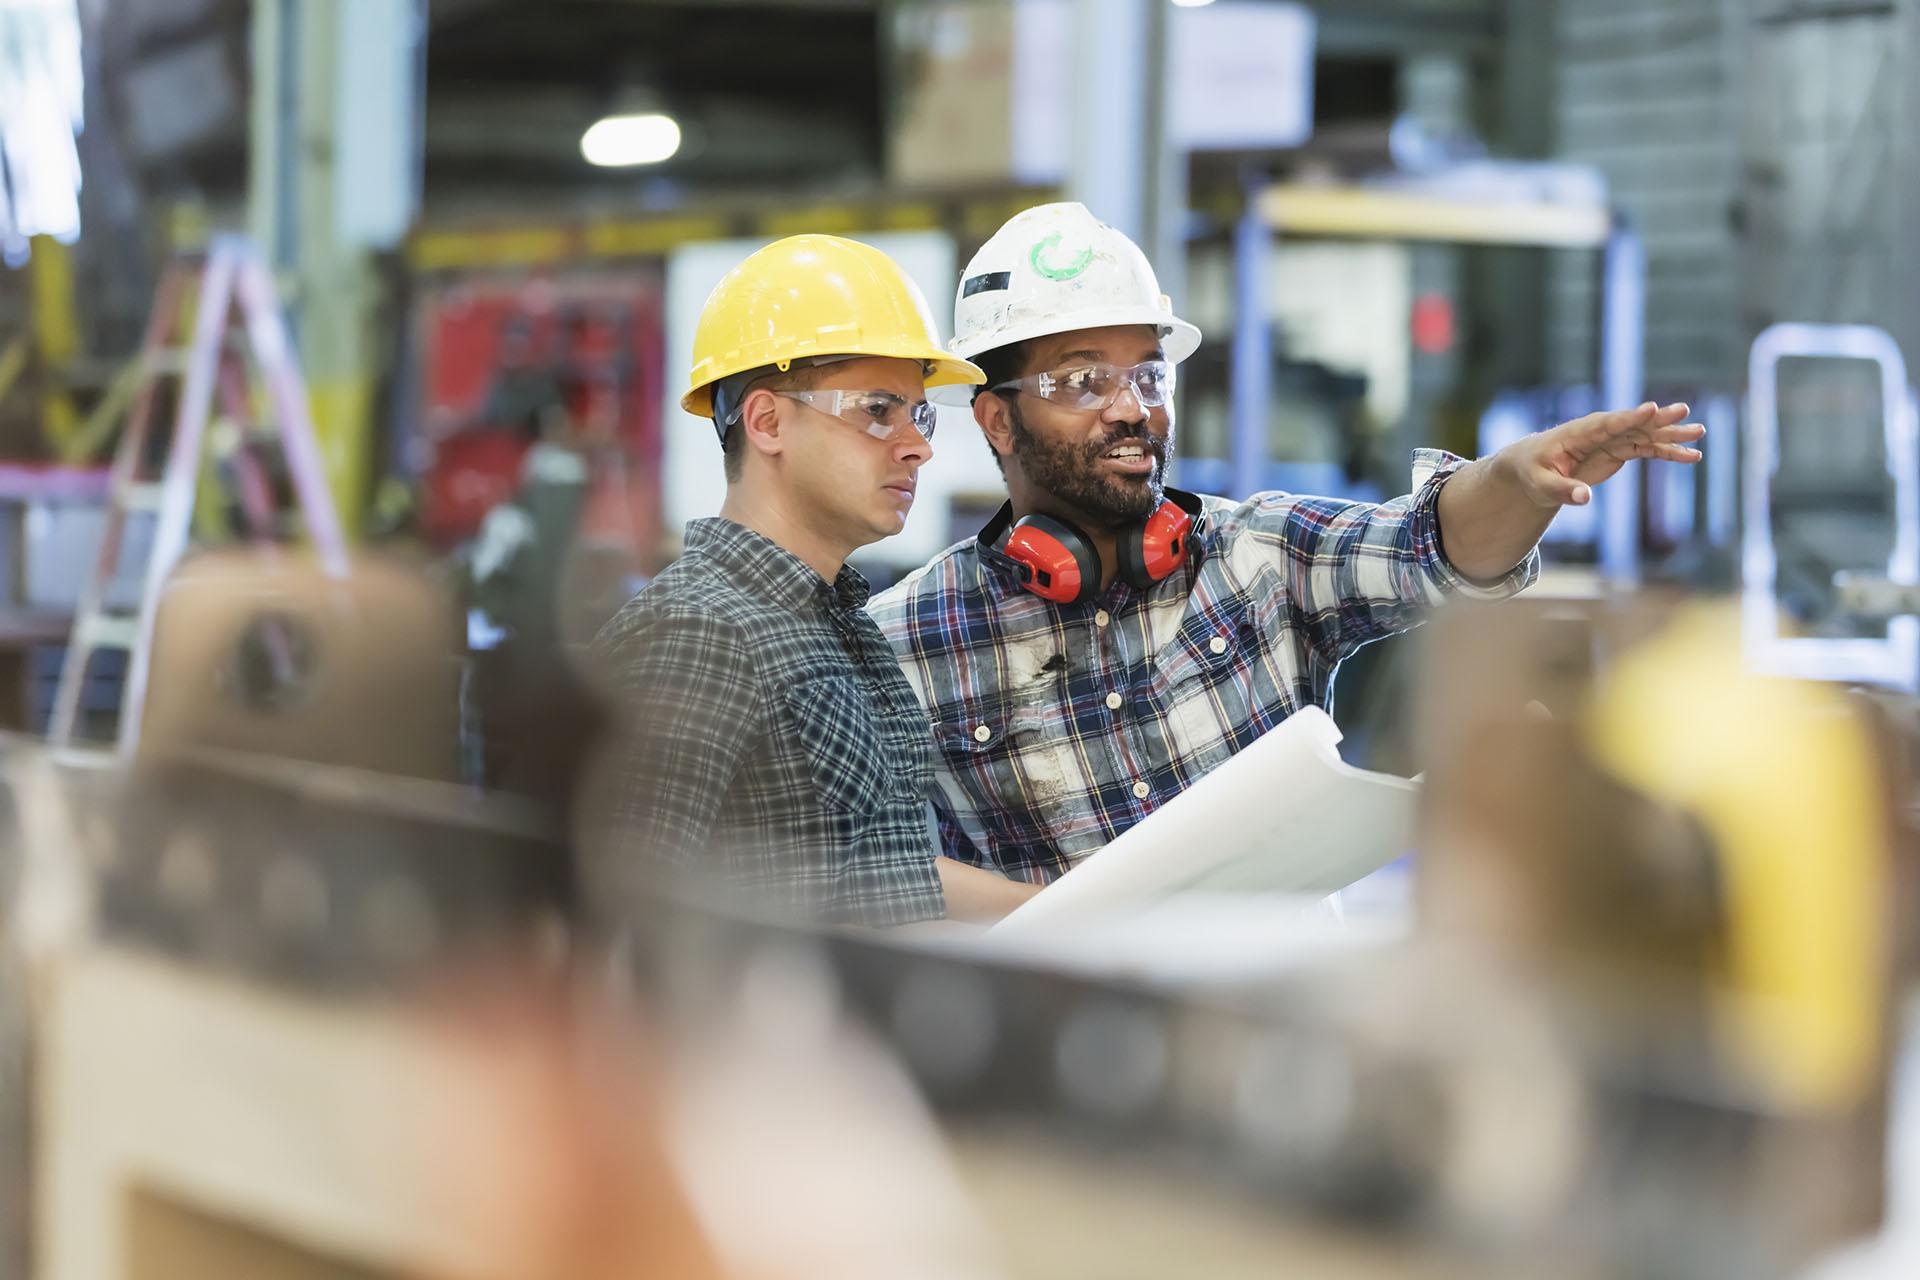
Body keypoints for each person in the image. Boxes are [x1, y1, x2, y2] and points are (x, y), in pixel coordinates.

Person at [869, 202, 1704, 885]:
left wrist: (1520, 480)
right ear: (994, 416)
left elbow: (1432, 544)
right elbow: (886, 881)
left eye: (1148, 375)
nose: (1132, 409)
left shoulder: (1260, 555)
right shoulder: (905, 642)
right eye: (1084, 380)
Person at [587, 233, 1038, 928]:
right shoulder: (697, 634)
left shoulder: (838, 625)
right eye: (877, 410)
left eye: (918, 414)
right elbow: (610, 910)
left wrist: (1082, 915)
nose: (916, 444)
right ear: (767, 422)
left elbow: (887, 873)